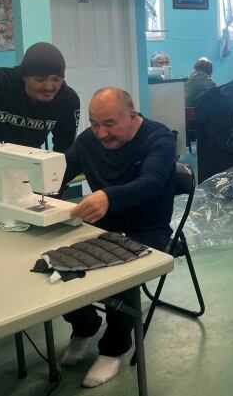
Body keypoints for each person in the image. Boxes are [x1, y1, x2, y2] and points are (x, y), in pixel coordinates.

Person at [59, 87, 176, 388]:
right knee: (53, 263)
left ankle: (114, 346)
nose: (100, 133)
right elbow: (58, 171)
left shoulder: (158, 138)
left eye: (109, 123)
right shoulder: (88, 141)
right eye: (94, 123)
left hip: (149, 228)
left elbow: (152, 182)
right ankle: (85, 326)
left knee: (119, 274)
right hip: (101, 227)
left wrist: (108, 197)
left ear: (132, 116)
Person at [0, 42, 80, 190]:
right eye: (40, 79)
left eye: (57, 79)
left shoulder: (68, 101)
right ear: (24, 76)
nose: (49, 87)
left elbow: (66, 151)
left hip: (26, 173)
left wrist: (53, 185)